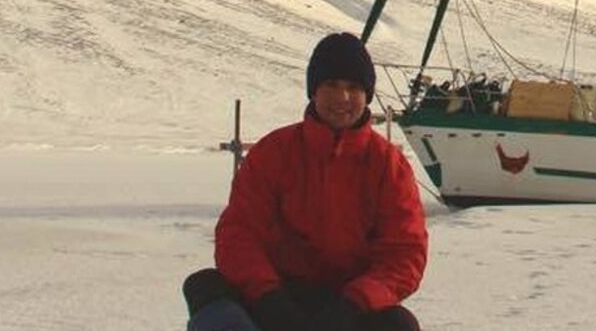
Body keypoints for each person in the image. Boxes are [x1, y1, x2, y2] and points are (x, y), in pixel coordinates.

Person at [182, 32, 428, 331]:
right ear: (313, 91)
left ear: (367, 95)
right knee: (206, 290)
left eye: (353, 87)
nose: (342, 98)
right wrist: (268, 298)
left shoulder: (388, 165)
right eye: (331, 85)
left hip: (348, 303)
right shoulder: (274, 152)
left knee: (398, 325)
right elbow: (239, 233)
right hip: (276, 293)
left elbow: (404, 254)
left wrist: (352, 305)